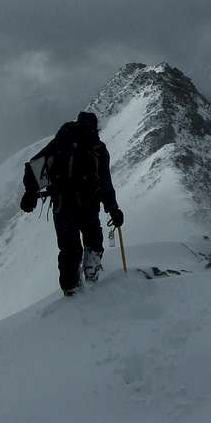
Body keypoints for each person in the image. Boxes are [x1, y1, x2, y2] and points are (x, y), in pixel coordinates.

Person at [20, 111, 124, 296]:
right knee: (93, 239)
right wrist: (113, 208)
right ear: (95, 127)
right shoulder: (97, 148)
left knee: (69, 248)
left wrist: (30, 193)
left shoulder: (62, 142)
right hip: (88, 203)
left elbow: (36, 165)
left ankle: (71, 290)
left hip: (63, 204)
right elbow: (105, 182)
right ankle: (92, 277)